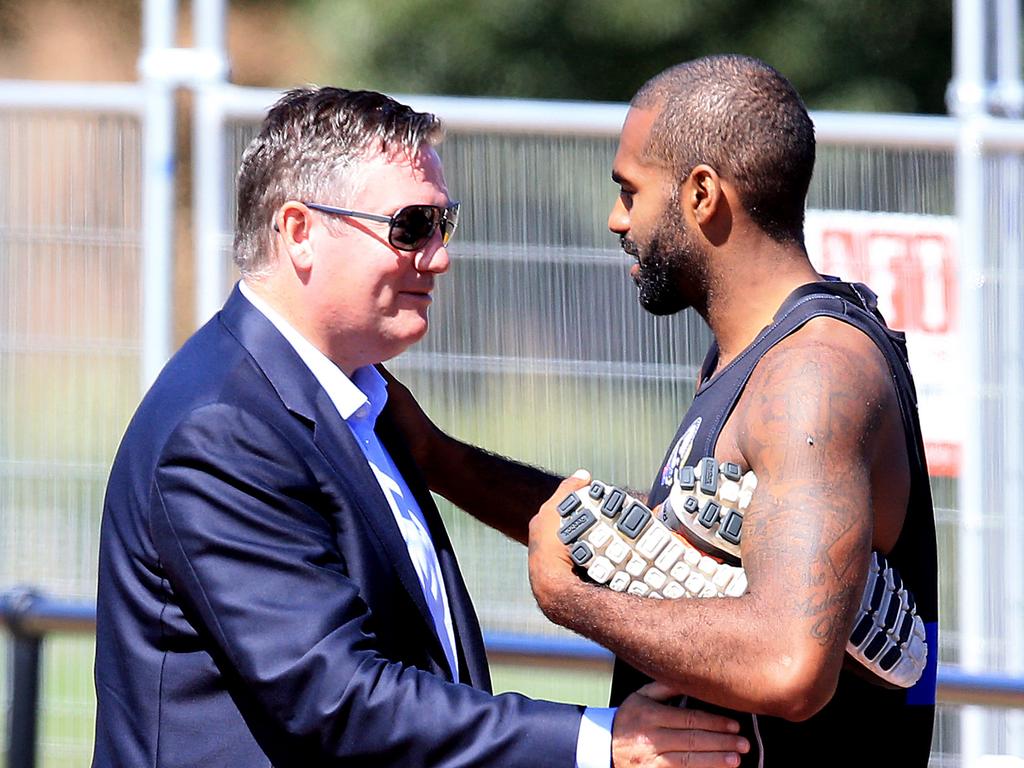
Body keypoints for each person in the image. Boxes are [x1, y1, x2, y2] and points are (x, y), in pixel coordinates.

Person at [91, 86, 752, 768]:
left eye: (444, 224)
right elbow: (336, 696)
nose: (438, 257)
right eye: (409, 226)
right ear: (299, 231)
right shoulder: (224, 430)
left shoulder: (362, 400)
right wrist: (600, 742)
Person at [389, 55, 938, 766]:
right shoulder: (752, 358)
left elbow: (789, 665)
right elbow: (652, 552)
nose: (617, 218)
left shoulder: (812, 375)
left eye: (631, 190)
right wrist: (437, 458)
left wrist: (571, 601)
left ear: (702, 192)